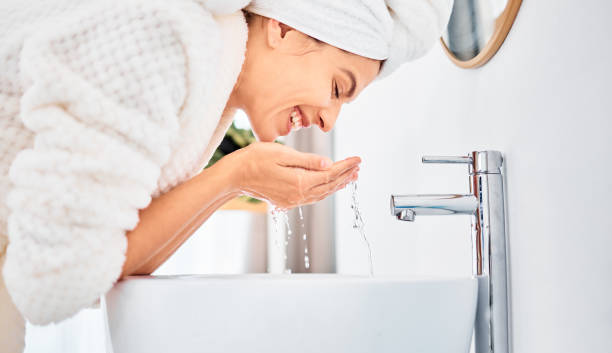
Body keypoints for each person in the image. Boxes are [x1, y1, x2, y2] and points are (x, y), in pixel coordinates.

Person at [0, 0, 452, 351]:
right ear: (285, 29)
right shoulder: (166, 38)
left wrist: (235, 179)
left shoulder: (207, 85)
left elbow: (112, 263)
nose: (329, 121)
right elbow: (55, 283)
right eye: (337, 87)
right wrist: (233, 174)